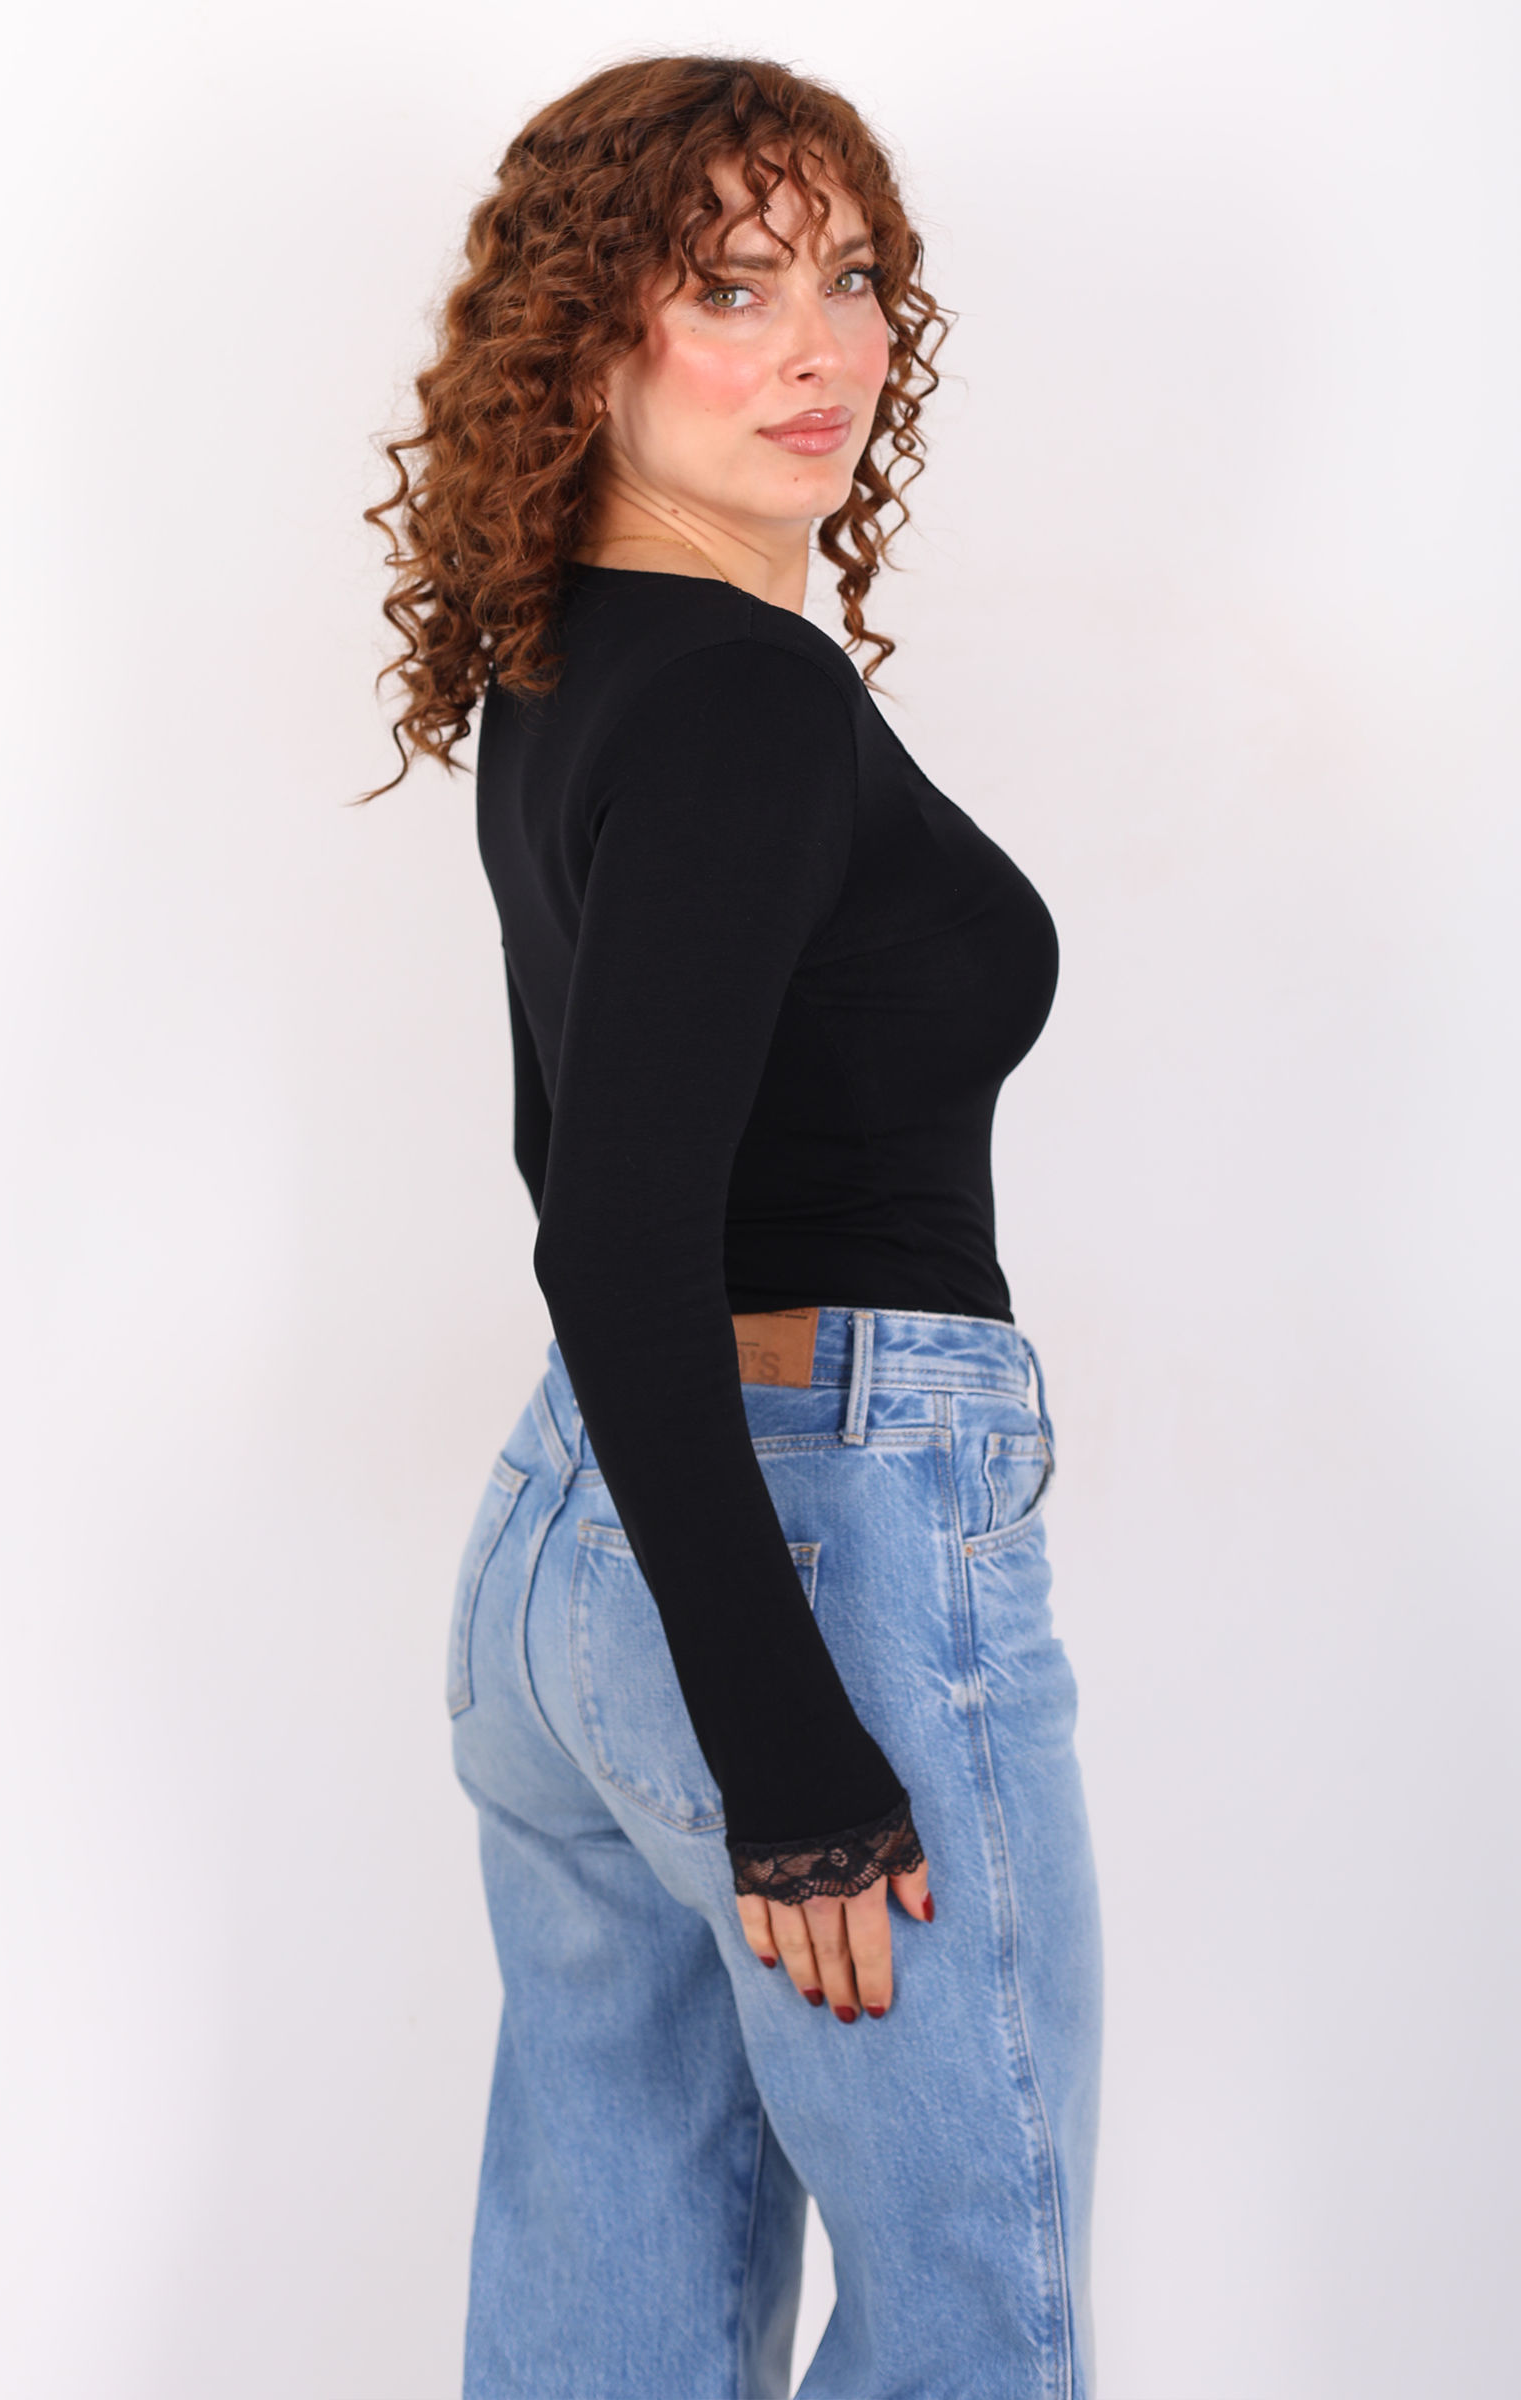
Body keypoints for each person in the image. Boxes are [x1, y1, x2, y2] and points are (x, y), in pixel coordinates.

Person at [363, 53, 1103, 2400]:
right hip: (813, 1539)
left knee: (605, 2340)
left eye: (852, 279)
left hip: (586, 1536)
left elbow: (573, 1169)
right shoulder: (747, 707)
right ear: (584, 340)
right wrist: (784, 1750)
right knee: (972, 2330)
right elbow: (610, 1230)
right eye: (733, 288)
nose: (821, 349)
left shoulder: (576, 671)